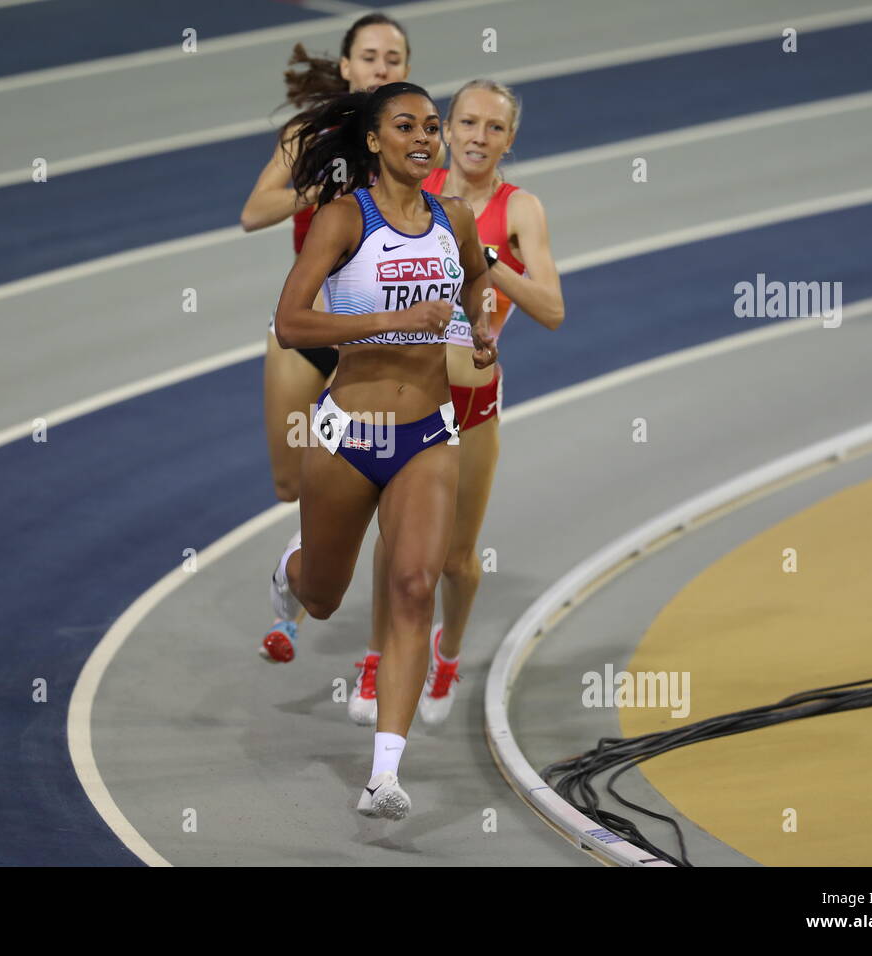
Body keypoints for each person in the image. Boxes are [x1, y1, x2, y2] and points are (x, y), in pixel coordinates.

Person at [266, 82, 497, 819]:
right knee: (325, 597)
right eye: (406, 126)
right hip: (350, 434)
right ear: (374, 141)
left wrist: (481, 327)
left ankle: (385, 775)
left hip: (429, 432)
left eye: (432, 125)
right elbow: (292, 323)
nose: (425, 136)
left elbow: (478, 281)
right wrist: (389, 321)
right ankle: (290, 571)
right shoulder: (343, 219)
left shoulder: (453, 218)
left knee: (411, 588)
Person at [348, 79, 566, 727]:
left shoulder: (520, 209)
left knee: (454, 559)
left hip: (471, 402)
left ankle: (448, 649)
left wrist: (488, 262)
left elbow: (552, 309)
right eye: (466, 123)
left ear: (509, 140)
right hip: (409, 392)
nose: (477, 137)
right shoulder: (415, 187)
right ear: (446, 128)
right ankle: (376, 657)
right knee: (393, 541)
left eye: (493, 128)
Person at [241, 13, 414, 661]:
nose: (381, 68)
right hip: (302, 327)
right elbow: (253, 212)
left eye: (393, 58)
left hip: (368, 342)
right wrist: (317, 186)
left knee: (358, 474)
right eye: (369, 56)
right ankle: (301, 562)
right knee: (291, 483)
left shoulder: (412, 139)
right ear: (346, 67)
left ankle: (307, 576)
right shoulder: (307, 133)